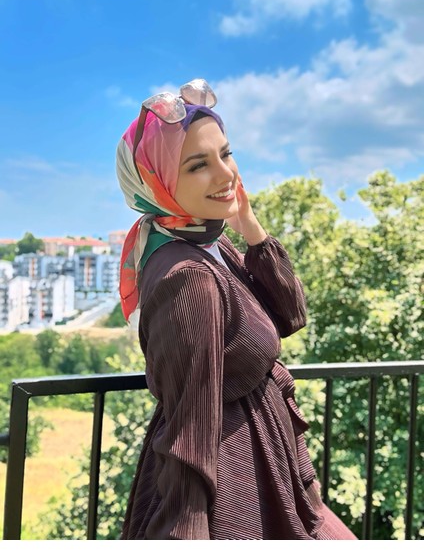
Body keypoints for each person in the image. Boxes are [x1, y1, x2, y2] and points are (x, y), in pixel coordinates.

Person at [115, 79, 357, 540]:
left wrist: (249, 226)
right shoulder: (188, 275)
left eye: (225, 154)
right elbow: (189, 428)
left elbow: (289, 315)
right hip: (236, 481)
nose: (225, 174)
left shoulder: (209, 243)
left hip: (265, 461)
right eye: (198, 165)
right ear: (158, 183)